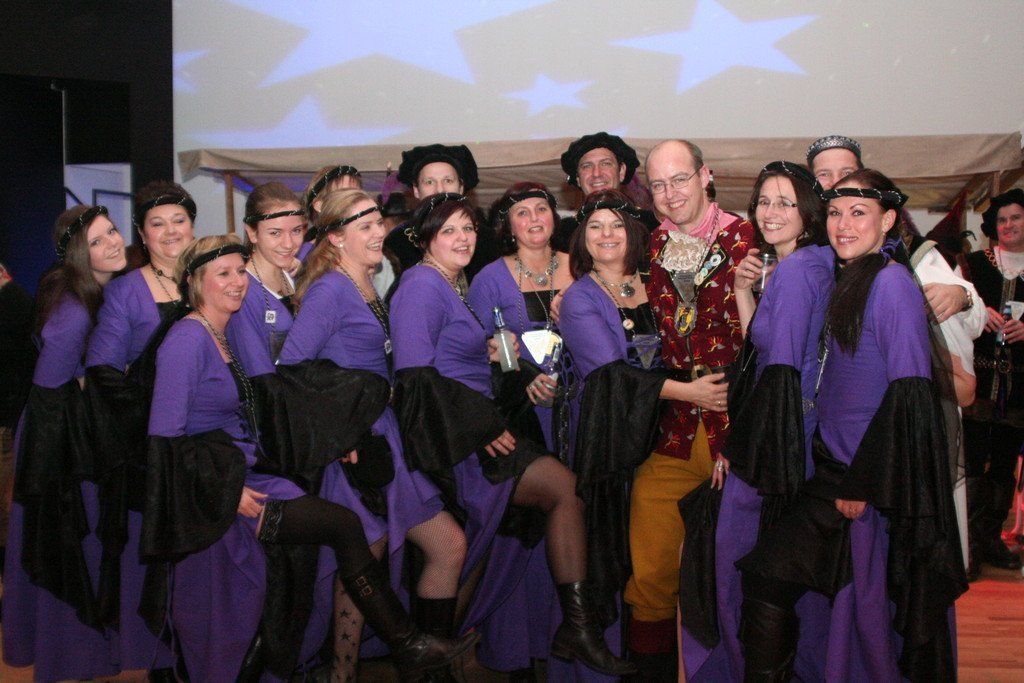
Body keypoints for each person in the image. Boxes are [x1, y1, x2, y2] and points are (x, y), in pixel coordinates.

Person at [140, 235, 477, 681]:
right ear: (194, 281)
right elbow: (164, 439)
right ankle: (407, 644)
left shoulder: (219, 334)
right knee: (342, 525)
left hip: (243, 472)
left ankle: (396, 648)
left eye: (240, 271)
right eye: (223, 274)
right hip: (215, 492)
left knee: (307, 567)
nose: (238, 282)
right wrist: (227, 492)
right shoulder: (186, 339)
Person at [389, 193, 635, 677]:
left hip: (479, 426)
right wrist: (480, 424)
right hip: (458, 439)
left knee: (473, 551)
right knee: (557, 494)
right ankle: (576, 630)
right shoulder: (422, 284)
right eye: (449, 230)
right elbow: (414, 377)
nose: (462, 238)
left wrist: (498, 361)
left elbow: (460, 355)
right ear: (426, 239)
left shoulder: (448, 283)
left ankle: (435, 661)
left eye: (467, 228)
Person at [738, 170, 966, 681]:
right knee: (803, 594)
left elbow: (910, 394)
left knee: (773, 578)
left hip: (860, 477)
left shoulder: (891, 284)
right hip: (835, 468)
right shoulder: (851, 278)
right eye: (836, 213)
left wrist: (862, 482)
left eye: (858, 213)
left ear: (888, 221)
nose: (843, 224)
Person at [279, 189, 467, 680]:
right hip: (356, 447)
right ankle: (351, 673)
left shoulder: (363, 283)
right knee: (365, 562)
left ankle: (416, 666)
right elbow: (292, 369)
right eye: (364, 226)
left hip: (385, 438)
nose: (379, 231)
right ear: (336, 238)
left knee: (418, 552)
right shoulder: (330, 290)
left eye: (378, 222)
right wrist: (344, 431)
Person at [557, 190, 727, 681]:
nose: (606, 235)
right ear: (582, 239)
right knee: (626, 557)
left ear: (634, 234)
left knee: (669, 559)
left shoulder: (658, 280)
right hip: (614, 437)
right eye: (594, 227)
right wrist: (690, 392)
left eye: (616, 225)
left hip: (671, 433)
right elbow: (610, 375)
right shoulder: (581, 297)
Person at [680, 162, 832, 681]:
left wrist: (737, 446)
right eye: (764, 201)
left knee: (736, 560)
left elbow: (779, 375)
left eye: (785, 202)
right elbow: (764, 351)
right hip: (794, 430)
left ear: (809, 212)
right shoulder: (808, 264)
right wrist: (745, 293)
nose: (770, 212)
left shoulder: (798, 270)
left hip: (779, 439)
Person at [626, 139, 751, 671]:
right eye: (658, 184)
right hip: (675, 424)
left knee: (732, 570)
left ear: (706, 176)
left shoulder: (750, 239)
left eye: (679, 179)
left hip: (739, 423)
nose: (670, 193)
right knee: (651, 568)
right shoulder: (654, 245)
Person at [3, 206, 127, 681]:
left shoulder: (93, 290)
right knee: (69, 545)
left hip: (71, 436)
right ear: (78, 253)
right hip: (61, 447)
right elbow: (49, 389)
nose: (112, 242)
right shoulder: (73, 307)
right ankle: (73, 656)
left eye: (111, 231)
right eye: (97, 241)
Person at [84, 181, 196, 677]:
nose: (170, 231)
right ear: (142, 235)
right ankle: (156, 659)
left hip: (205, 445)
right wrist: (154, 415)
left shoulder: (211, 278)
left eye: (179, 220)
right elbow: (102, 369)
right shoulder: (127, 291)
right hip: (148, 449)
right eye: (158, 223)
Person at [466, 182, 574, 679]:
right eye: (521, 213)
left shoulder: (581, 265)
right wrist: (520, 376)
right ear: (507, 227)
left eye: (541, 209)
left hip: (576, 413)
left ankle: (568, 648)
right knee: (522, 534)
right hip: (521, 419)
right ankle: (516, 652)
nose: (533, 219)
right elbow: (479, 352)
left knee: (575, 517)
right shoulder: (489, 278)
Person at [960, 187, 1024, 577]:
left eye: (1015, 217)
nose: (1008, 225)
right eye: (1001, 219)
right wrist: (976, 311)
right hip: (979, 382)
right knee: (971, 464)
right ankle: (967, 545)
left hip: (1019, 389)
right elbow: (950, 312)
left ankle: (991, 540)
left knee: (1003, 466)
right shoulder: (971, 265)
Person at [386, 143, 498, 281]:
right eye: (429, 182)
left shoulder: (486, 239)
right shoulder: (398, 241)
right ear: (416, 190)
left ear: (461, 188)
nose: (440, 190)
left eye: (448, 180)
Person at [226, 181, 305, 374]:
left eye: (296, 231)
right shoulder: (242, 292)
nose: (288, 244)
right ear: (252, 233)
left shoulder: (294, 276)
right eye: (275, 233)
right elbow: (257, 374)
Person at [553, 132, 658, 251]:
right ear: (577, 178)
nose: (596, 173)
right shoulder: (564, 234)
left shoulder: (651, 226)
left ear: (621, 171)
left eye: (605, 164)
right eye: (587, 166)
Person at [0, 262, 36, 567]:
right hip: (11, 418)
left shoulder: (13, 302)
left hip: (7, 423)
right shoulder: (17, 300)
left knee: (6, 511)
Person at [297, 165, 362, 261]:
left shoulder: (370, 245)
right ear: (319, 206)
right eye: (343, 195)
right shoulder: (305, 256)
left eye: (358, 196)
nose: (353, 202)